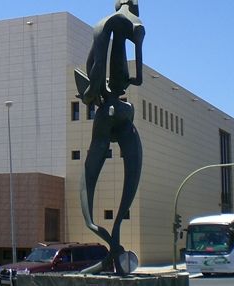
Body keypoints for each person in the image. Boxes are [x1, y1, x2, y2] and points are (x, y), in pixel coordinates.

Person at [77, 0, 145, 275]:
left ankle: (109, 242)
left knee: (88, 194)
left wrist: (93, 94)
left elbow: (92, 70)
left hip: (107, 108)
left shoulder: (102, 25)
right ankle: (114, 246)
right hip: (125, 111)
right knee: (131, 181)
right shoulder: (138, 26)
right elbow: (137, 78)